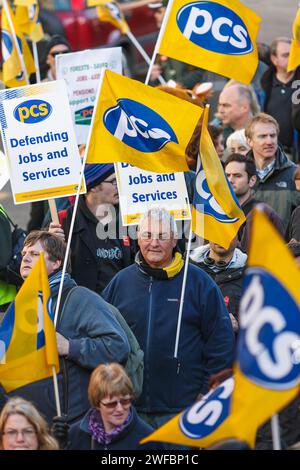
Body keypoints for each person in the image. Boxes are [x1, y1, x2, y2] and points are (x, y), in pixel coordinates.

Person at [103, 208, 234, 428]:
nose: (154, 243)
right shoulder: (120, 282)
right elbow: (103, 337)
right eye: (147, 235)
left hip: (185, 408)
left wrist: (207, 392)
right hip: (128, 408)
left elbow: (220, 343)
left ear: (174, 240)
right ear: (137, 237)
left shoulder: (198, 283)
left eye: (162, 236)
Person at [7, 231, 129, 424]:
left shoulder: (80, 298)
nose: (26, 258)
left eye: (35, 254)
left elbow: (118, 347)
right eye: (23, 254)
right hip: (33, 424)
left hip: (72, 424)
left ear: (56, 263)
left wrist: (69, 347)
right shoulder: (21, 304)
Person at [49, 163, 137, 293]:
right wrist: (50, 244)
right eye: (113, 181)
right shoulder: (64, 221)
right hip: (80, 307)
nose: (119, 186)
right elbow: (49, 268)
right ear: (94, 187)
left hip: (119, 307)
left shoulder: (128, 219)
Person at [68, 363, 163, 450]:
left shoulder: (149, 441)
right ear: (97, 404)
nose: (120, 409)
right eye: (111, 404)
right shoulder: (74, 436)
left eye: (125, 401)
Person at [245, 113, 299, 232]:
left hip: (284, 249)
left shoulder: (294, 174)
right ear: (249, 141)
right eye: (263, 136)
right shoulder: (238, 174)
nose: (269, 141)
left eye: (272, 135)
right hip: (246, 249)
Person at [225, 153, 285, 251]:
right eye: (227, 175)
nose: (230, 180)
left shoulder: (265, 213)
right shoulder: (218, 211)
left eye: (237, 176)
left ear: (252, 180)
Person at [190, 237, 247, 331]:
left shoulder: (252, 273)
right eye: (216, 230)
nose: (221, 236)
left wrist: (239, 327)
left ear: (238, 236)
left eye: (228, 231)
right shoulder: (186, 266)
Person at [261, 37, 300, 159]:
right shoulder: (264, 85)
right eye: (286, 55)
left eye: (294, 54)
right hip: (271, 155)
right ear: (274, 59)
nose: (292, 59)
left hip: (296, 156)